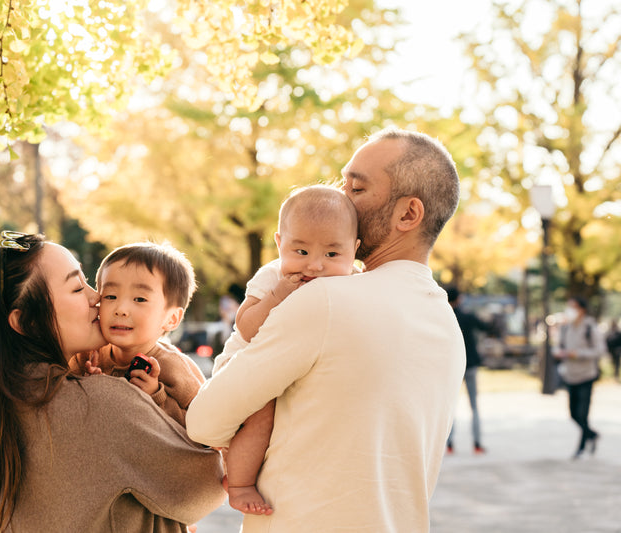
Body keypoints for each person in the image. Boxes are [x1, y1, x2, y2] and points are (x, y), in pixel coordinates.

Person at [187, 127, 465, 532]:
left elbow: (206, 422)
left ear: (408, 214)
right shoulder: (447, 327)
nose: (339, 198)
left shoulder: (326, 300)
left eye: (357, 188)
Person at [0, 231, 225, 532]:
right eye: (78, 288)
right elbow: (206, 490)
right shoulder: (101, 403)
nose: (97, 298)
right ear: (27, 321)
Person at [212, 184, 360, 515]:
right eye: (301, 252)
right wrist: (277, 296)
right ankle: (239, 485)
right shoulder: (274, 275)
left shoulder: (352, 282)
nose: (315, 266)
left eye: (332, 254)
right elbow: (247, 326)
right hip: (242, 364)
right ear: (280, 243)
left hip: (283, 370)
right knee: (262, 415)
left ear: (355, 250)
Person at [93, 242, 206, 427]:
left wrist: (157, 397)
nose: (121, 309)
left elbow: (206, 428)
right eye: (110, 296)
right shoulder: (90, 355)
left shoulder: (175, 368)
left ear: (171, 318)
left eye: (139, 299)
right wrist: (84, 381)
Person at [554, 295, 605, 459]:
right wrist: (559, 353)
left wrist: (578, 354)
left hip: (586, 375)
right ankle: (592, 435)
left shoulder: (590, 327)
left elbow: (600, 350)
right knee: (573, 414)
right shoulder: (565, 328)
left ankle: (581, 447)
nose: (570, 310)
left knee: (583, 414)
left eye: (573, 307)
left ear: (582, 310)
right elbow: (557, 347)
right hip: (570, 375)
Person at [444, 286, 493, 455]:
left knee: (450, 406)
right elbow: (486, 327)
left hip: (451, 366)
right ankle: (477, 443)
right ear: (460, 298)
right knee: (474, 406)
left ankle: (449, 444)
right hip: (470, 364)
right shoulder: (467, 315)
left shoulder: (444, 317)